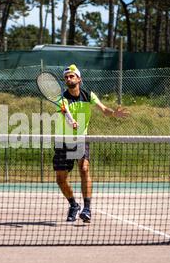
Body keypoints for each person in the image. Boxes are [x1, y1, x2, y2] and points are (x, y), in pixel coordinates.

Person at [53, 64, 129, 223]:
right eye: (66, 77)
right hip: (63, 141)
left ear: (79, 78)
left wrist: (114, 113)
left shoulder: (88, 95)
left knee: (84, 168)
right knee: (61, 179)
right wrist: (72, 122)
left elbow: (103, 109)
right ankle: (73, 204)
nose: (68, 78)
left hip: (81, 139)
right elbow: (66, 113)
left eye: (71, 76)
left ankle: (87, 208)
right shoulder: (62, 99)